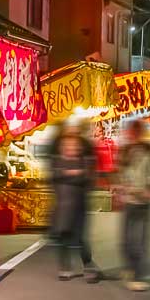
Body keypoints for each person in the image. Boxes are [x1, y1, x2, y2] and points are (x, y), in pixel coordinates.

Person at [118, 120, 150, 292]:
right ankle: (129, 268)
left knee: (140, 240)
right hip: (129, 201)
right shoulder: (124, 151)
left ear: (141, 133)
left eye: (135, 132)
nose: (132, 135)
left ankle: (137, 275)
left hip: (145, 201)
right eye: (131, 132)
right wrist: (119, 186)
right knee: (126, 240)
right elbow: (117, 172)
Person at [49, 121, 100, 282]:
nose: (71, 147)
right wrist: (75, 174)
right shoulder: (57, 160)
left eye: (74, 145)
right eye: (67, 145)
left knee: (81, 238)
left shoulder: (84, 159)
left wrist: (69, 174)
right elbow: (54, 177)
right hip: (63, 205)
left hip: (80, 205)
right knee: (64, 236)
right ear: (63, 146)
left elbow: (87, 177)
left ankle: (88, 265)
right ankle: (65, 266)